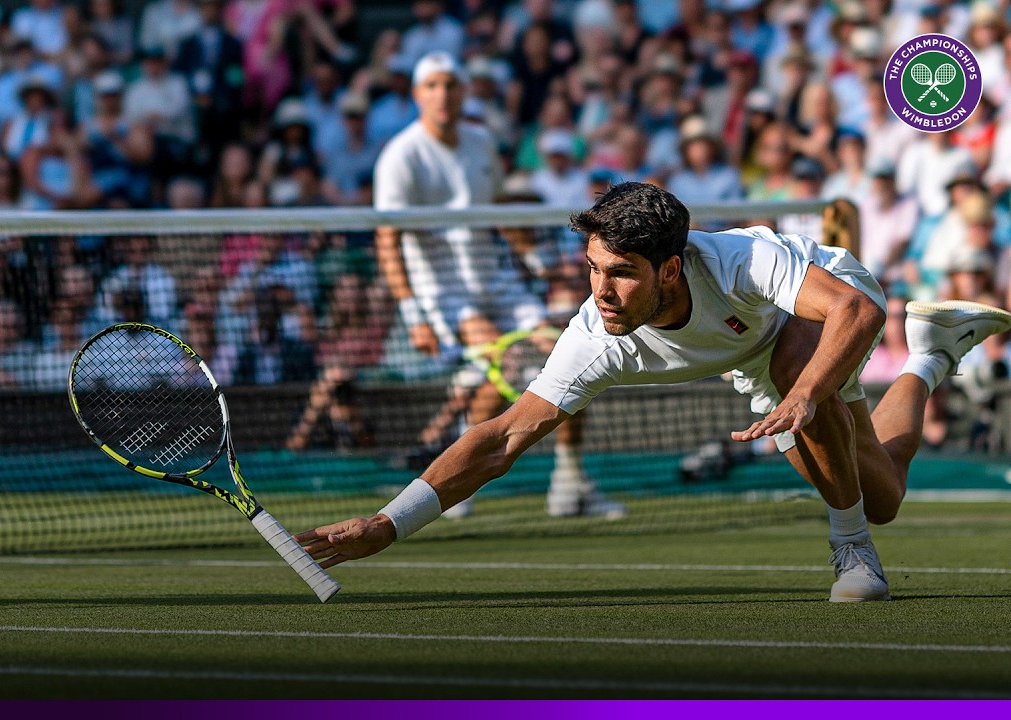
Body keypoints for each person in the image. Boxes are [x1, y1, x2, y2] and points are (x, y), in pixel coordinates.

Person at [297, 181, 1011, 603]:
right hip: (760, 361)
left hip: (827, 305)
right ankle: (930, 357)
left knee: (805, 388)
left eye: (622, 273)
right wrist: (387, 524)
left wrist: (805, 394)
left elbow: (854, 312)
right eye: (593, 268)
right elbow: (501, 439)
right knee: (882, 492)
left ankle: (852, 554)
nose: (601, 290)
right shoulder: (594, 336)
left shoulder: (741, 260)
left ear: (671, 269)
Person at [374, 51, 619, 519]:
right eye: (433, 86)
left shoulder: (481, 141)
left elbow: (499, 208)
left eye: (451, 85)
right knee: (507, 361)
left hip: (497, 280)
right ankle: (456, 482)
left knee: (575, 359)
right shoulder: (400, 157)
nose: (443, 95)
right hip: (443, 294)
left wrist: (536, 262)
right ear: (418, 94)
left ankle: (569, 485)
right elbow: (388, 238)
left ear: (463, 91)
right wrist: (413, 315)